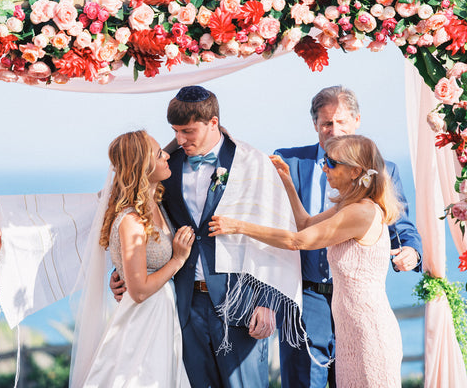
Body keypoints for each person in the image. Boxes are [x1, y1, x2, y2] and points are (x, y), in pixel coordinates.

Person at [112, 86, 277, 387]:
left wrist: (267, 301)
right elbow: (144, 223)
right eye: (175, 131)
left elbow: (270, 234)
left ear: (212, 123)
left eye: (188, 131)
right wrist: (124, 268)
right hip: (184, 306)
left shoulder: (248, 163)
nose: (179, 140)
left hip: (241, 303)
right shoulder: (167, 167)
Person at [210, 134, 403, 387]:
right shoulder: (350, 206)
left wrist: (239, 226)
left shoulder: (360, 212)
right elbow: (305, 224)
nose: (324, 167)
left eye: (332, 163)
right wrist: (288, 183)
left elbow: (297, 241)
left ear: (355, 171)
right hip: (351, 331)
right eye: (325, 159)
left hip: (367, 331)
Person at [273, 85, 422, 388]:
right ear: (315, 125)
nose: (334, 130)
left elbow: (401, 223)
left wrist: (411, 250)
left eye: (341, 122)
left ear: (357, 121)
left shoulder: (383, 169)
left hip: (358, 310)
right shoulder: (288, 162)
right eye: (327, 123)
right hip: (306, 299)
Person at [75, 130, 194, 387]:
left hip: (161, 317)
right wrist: (178, 260)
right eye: (159, 153)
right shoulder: (131, 220)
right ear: (142, 166)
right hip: (142, 322)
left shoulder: (156, 204)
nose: (166, 157)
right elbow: (139, 290)